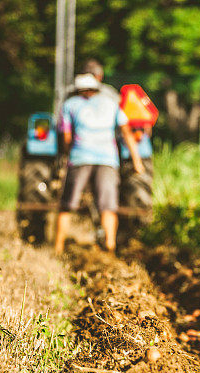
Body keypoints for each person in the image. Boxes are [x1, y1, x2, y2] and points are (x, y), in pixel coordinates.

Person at [54, 73, 145, 255]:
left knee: (67, 205)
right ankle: (110, 246)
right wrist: (137, 161)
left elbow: (66, 136)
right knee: (108, 206)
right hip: (107, 159)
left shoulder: (70, 105)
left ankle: (58, 248)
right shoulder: (111, 104)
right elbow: (126, 132)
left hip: (80, 158)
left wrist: (66, 153)